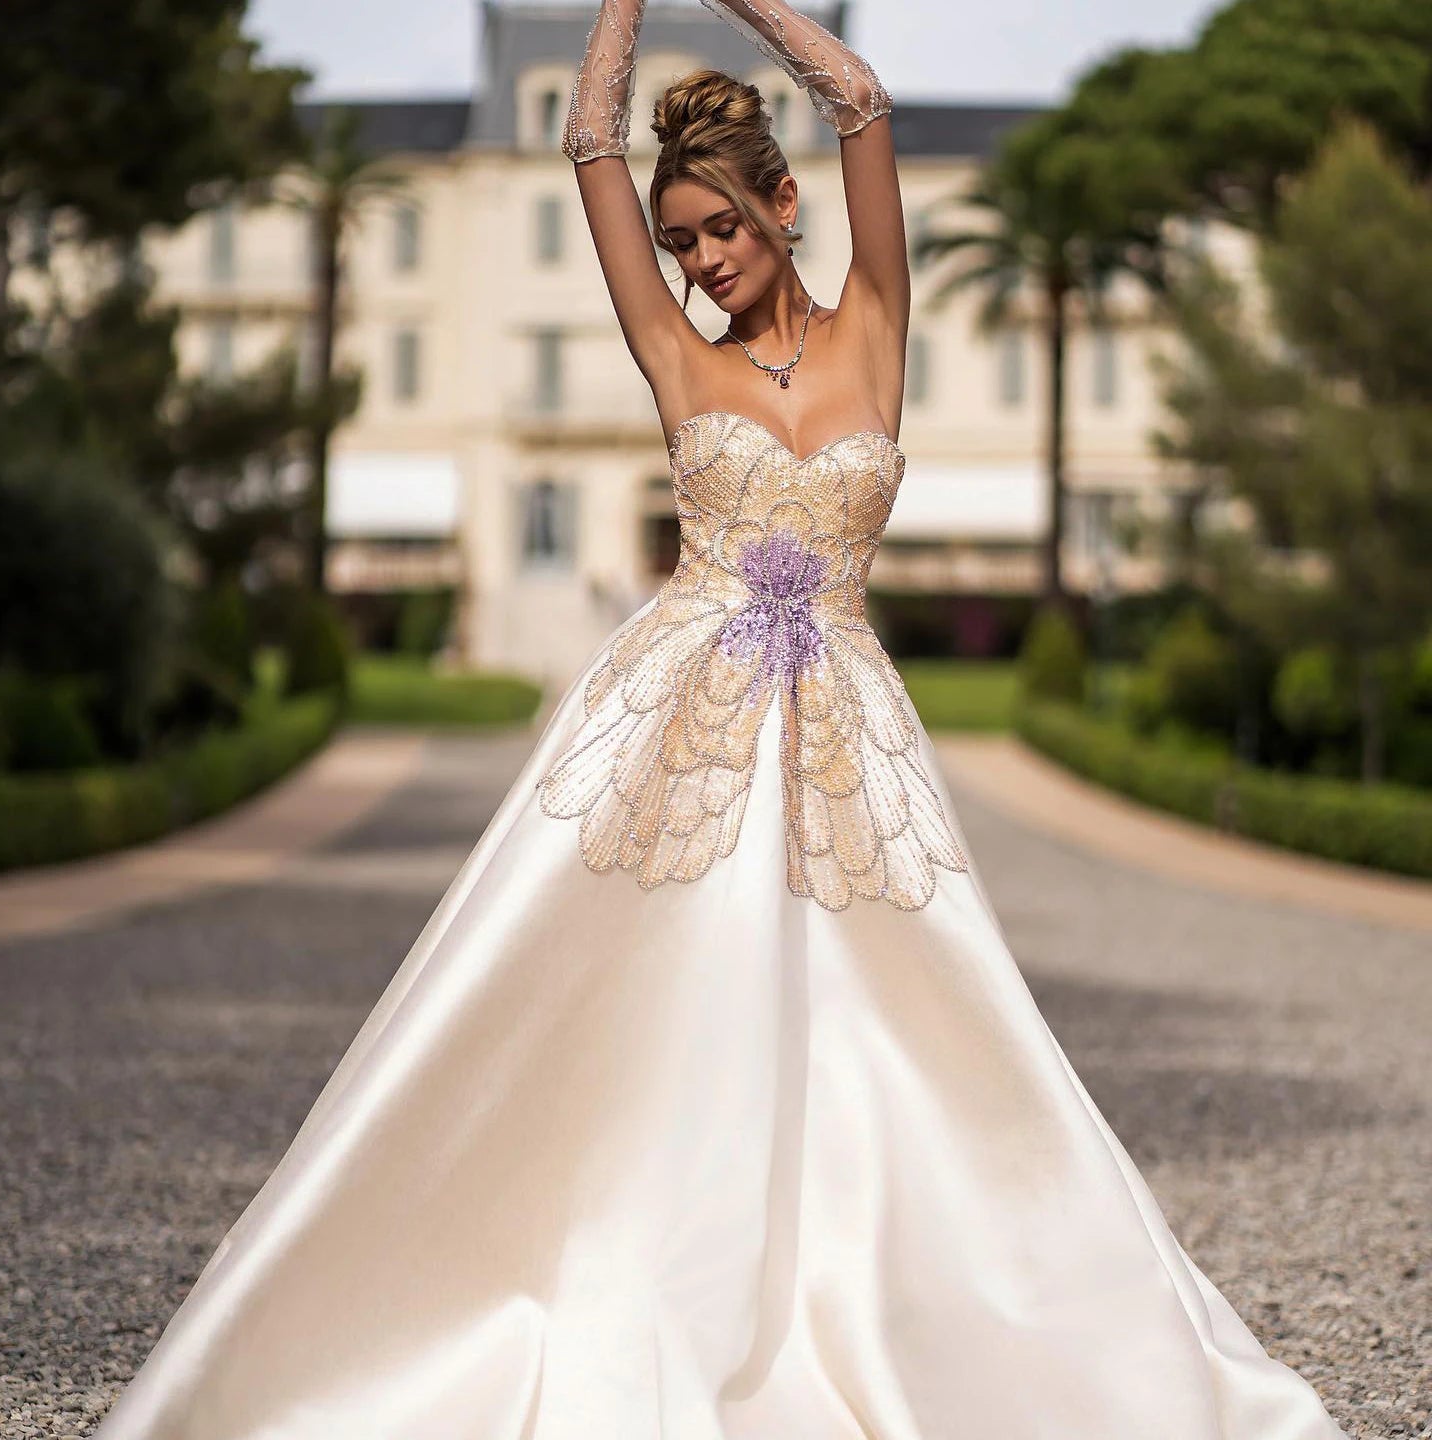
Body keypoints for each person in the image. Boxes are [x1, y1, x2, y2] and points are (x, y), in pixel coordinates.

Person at [94, 1, 1351, 1435]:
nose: (699, 262)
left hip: (851, 740)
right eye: (680, 240)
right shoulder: (677, 357)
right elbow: (588, 139)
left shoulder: (878, 322)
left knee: (902, 1032)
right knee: (656, 1015)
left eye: (720, 230)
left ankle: (914, 1307)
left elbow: (862, 96)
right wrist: (623, 4)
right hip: (678, 725)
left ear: (784, 204)